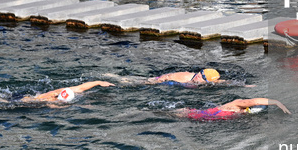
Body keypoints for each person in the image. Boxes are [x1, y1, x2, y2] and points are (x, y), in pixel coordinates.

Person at [0, 81, 114, 106]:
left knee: (0, 96)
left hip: (25, 97)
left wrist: (98, 82)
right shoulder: (54, 101)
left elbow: (81, 88)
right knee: (2, 101)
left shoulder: (60, 91)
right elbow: (53, 108)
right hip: (23, 101)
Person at [104, 68, 253, 88]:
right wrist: (156, 81)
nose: (199, 79)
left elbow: (225, 82)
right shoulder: (184, 77)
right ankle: (114, 78)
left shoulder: (209, 80)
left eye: (203, 79)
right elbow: (165, 77)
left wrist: (245, 86)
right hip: (163, 80)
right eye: (200, 76)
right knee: (136, 82)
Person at [174, 98, 291, 120]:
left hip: (206, 117)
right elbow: (255, 101)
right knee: (172, 114)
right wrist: (276, 102)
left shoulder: (241, 111)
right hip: (199, 114)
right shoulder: (238, 104)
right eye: (247, 110)